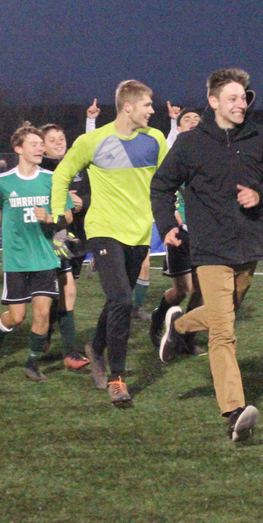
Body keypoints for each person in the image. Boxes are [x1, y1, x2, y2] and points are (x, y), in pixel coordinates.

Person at [153, 67, 263, 441]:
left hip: (250, 244)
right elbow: (162, 186)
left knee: (226, 312)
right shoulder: (190, 143)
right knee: (223, 330)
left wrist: (261, 194)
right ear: (213, 101)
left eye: (244, 97)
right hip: (210, 247)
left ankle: (178, 326)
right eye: (232, 98)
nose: (240, 103)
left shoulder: (262, 138)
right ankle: (234, 411)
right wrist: (166, 224)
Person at [50, 80, 167, 407]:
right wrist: (60, 224)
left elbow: (169, 179)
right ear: (128, 107)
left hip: (139, 233)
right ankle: (117, 379)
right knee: (121, 298)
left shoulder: (155, 139)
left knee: (121, 300)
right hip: (103, 230)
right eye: (147, 104)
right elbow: (61, 176)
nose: (152, 110)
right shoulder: (93, 140)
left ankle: (95, 346)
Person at [0, 124, 61, 381]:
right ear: (18, 149)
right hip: (16, 259)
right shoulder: (3, 181)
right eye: (34, 144)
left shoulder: (51, 179)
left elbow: (67, 215)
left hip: (45, 257)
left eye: (41, 144)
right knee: (17, 317)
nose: (40, 148)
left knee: (42, 313)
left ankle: (32, 364)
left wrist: (49, 217)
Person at [148, 108, 204, 351]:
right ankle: (158, 318)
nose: (193, 122)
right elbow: (161, 187)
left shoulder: (210, 154)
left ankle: (188, 338)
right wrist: (171, 212)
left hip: (205, 232)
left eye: (197, 119)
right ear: (178, 128)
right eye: (187, 119)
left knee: (202, 289)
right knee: (183, 290)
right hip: (181, 230)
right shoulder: (175, 155)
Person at [36, 123, 90, 369]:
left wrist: (82, 203)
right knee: (65, 291)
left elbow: (93, 194)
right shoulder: (40, 170)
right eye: (52, 139)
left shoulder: (78, 164)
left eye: (61, 137)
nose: (59, 142)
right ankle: (67, 350)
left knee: (67, 289)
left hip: (77, 235)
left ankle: (47, 329)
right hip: (52, 236)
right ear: (43, 146)